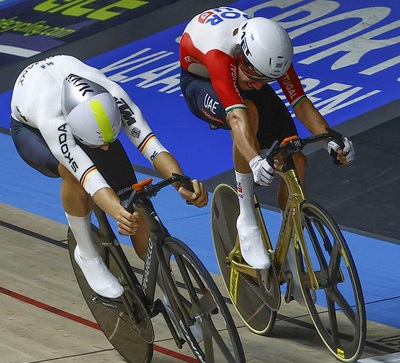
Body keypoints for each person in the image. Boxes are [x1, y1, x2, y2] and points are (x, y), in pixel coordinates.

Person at [179, 7, 354, 300]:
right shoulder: (219, 54)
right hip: (202, 83)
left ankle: (289, 245)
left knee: (294, 156)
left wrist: (329, 138)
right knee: (248, 115)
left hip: (242, 75)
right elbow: (236, 119)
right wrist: (254, 159)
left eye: (266, 80)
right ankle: (246, 218)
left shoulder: (269, 52)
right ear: (241, 56)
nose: (260, 85)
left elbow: (298, 100)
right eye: (256, 77)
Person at [10, 54, 208, 299]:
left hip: (76, 96)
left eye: (109, 140)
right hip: (31, 129)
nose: (105, 149)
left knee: (134, 199)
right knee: (73, 174)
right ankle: (86, 253)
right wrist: (118, 213)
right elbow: (90, 179)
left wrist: (181, 182)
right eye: (98, 144)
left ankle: (169, 294)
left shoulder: (114, 95)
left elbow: (152, 146)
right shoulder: (53, 121)